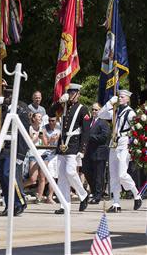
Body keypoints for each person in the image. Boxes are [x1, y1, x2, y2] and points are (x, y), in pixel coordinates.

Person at [98, 90, 143, 212]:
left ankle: (136, 194)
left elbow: (137, 130)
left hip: (124, 142)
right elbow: (100, 114)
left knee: (122, 174)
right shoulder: (115, 111)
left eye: (122, 97)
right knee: (113, 175)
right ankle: (116, 203)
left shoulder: (130, 113)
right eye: (119, 97)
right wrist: (109, 103)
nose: (119, 98)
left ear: (128, 99)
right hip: (114, 142)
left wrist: (135, 147)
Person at [0, 91, 29, 216]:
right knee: (3, 178)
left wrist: (21, 154)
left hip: (14, 147)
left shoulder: (21, 110)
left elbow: (24, 133)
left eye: (10, 95)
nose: (8, 98)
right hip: (2, 146)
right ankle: (9, 206)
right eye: (6, 95)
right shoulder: (2, 108)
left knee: (8, 175)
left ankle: (20, 201)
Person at [50, 83, 90, 214]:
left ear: (78, 94)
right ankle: (64, 205)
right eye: (70, 93)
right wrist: (59, 102)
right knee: (61, 176)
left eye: (73, 93)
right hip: (62, 143)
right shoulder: (63, 107)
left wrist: (82, 149)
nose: (71, 95)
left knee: (70, 172)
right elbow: (51, 112)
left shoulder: (83, 109)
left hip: (73, 144)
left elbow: (85, 131)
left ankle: (83, 194)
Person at [83, 103, 110, 205]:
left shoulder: (103, 123)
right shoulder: (88, 121)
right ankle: (94, 192)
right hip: (89, 152)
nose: (94, 111)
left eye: (96, 110)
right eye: (93, 109)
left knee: (98, 175)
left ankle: (98, 196)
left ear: (100, 111)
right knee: (87, 172)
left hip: (99, 152)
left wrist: (90, 136)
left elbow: (104, 137)